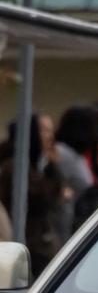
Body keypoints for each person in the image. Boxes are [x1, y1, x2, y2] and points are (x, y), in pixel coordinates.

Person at [0, 115, 65, 277]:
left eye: (51, 130)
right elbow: (40, 199)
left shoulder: (37, 165)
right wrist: (53, 170)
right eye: (43, 130)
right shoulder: (15, 166)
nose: (49, 136)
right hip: (25, 244)